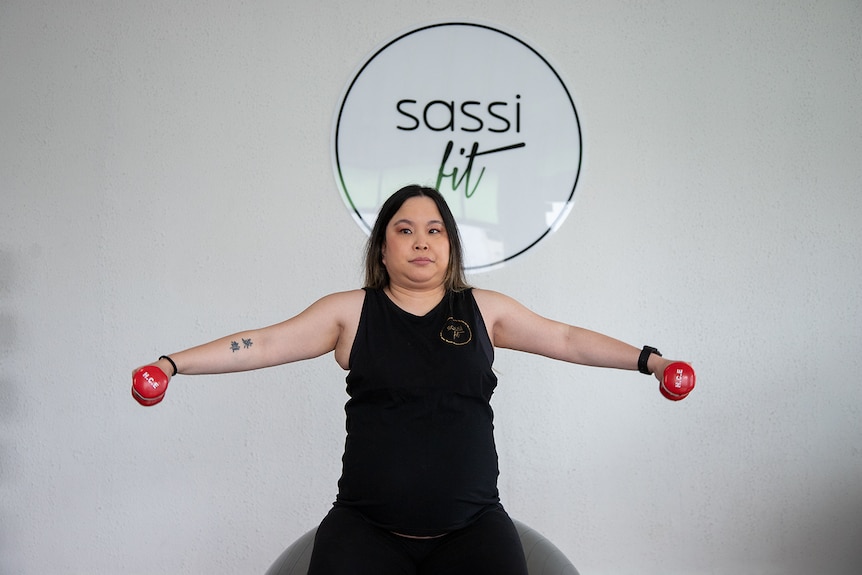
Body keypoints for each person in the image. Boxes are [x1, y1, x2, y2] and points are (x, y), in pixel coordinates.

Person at [134, 184, 688, 575]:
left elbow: (565, 338)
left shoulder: (483, 310)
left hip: (473, 530)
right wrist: (172, 364)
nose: (421, 240)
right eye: (405, 230)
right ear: (382, 247)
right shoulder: (350, 312)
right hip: (364, 531)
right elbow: (265, 343)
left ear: (450, 247)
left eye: (434, 230)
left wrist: (651, 362)